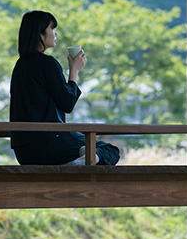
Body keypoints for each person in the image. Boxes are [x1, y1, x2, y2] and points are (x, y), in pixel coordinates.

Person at [9, 10, 120, 166]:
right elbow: (67, 103)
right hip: (50, 144)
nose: (55, 34)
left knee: (90, 148)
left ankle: (82, 159)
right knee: (110, 151)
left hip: (23, 151)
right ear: (40, 34)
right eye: (52, 29)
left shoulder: (20, 65)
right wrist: (74, 71)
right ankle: (83, 161)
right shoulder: (47, 63)